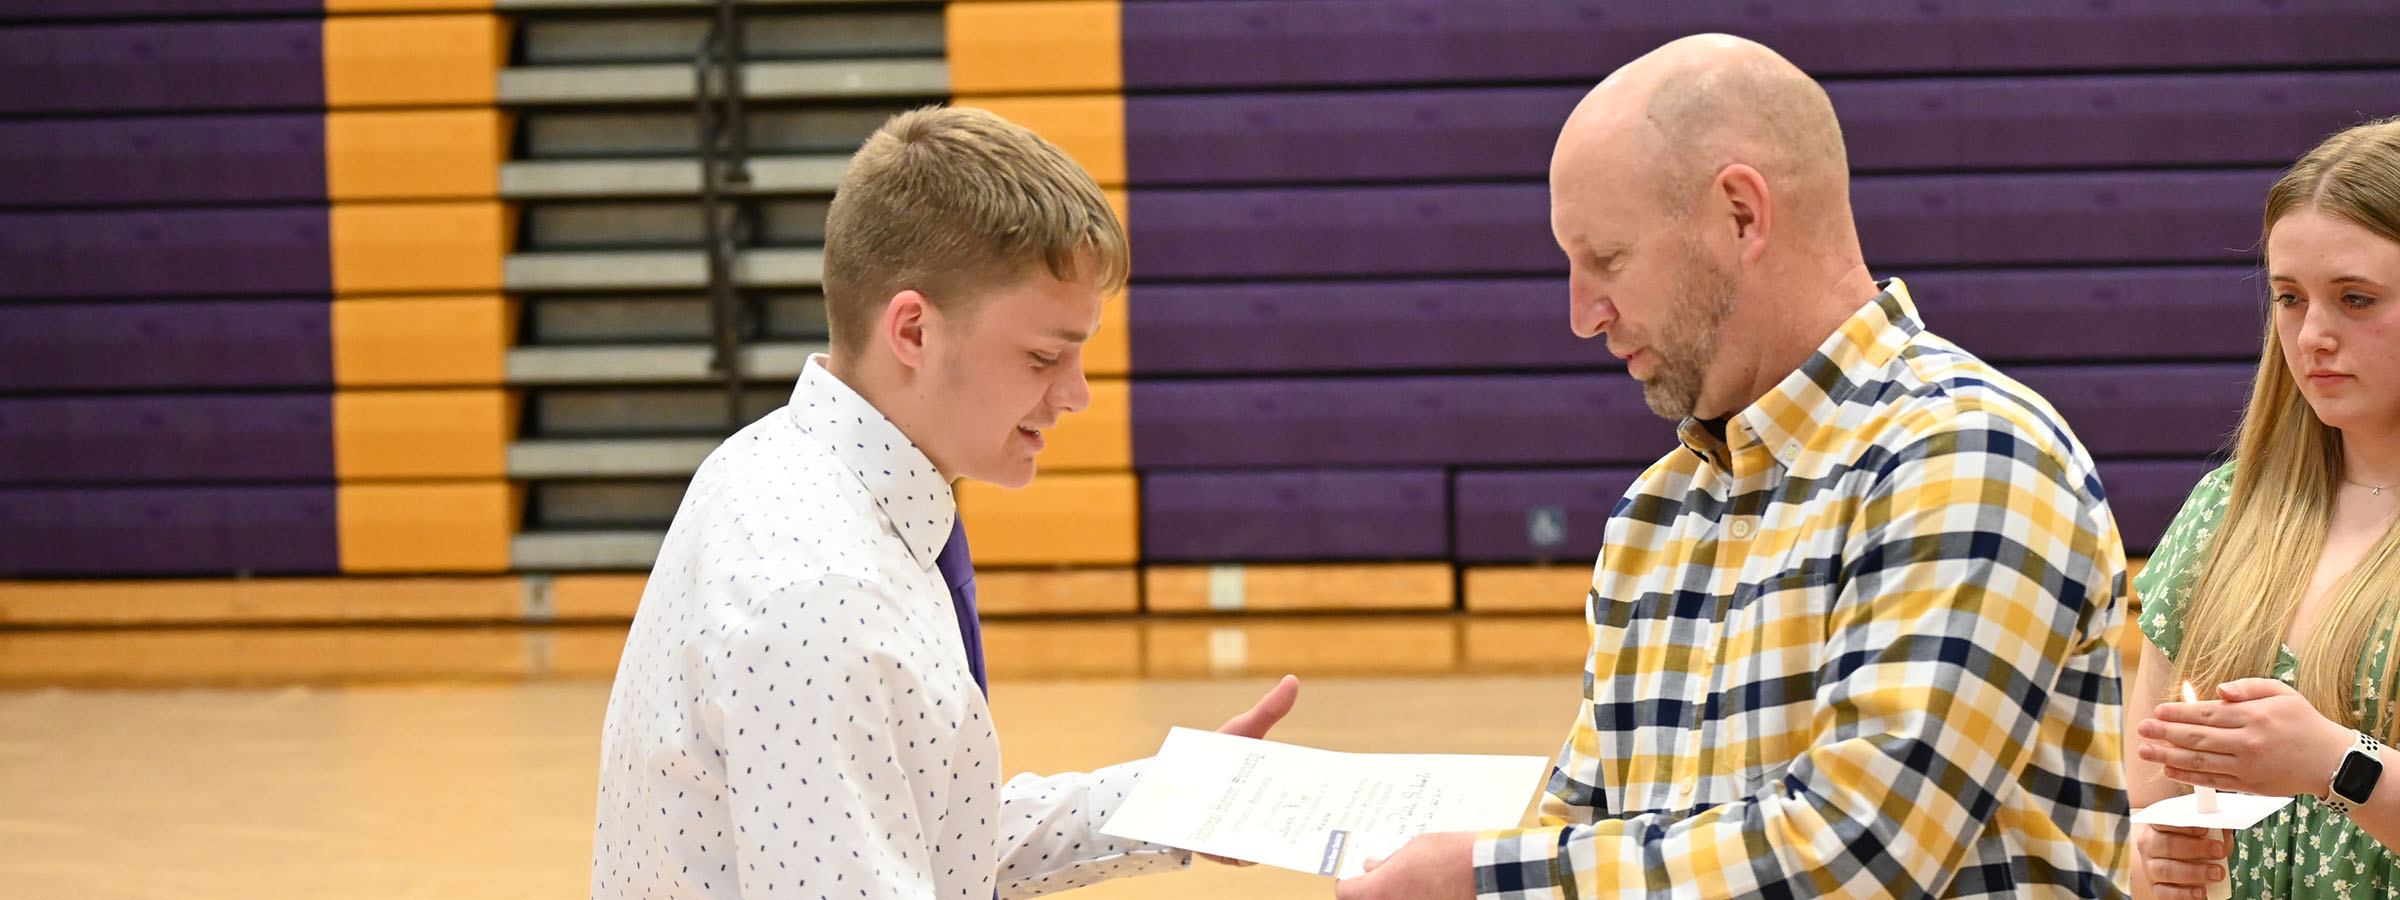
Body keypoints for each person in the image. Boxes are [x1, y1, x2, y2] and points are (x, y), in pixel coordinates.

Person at [1337, 34, 2130, 900]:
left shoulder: (1968, 454)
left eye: (1606, 258)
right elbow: (1583, 841)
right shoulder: (1657, 513)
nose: (1581, 314)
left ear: (1742, 215)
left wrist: (1484, 882)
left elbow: (1859, 855)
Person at [588, 106, 1300, 900]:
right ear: (915, 332)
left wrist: (1180, 798)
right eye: (1042, 356)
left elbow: (931, 836)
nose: (1076, 395)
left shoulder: (776, 463)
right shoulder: (821, 593)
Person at [2128, 117, 2400, 900]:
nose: (2312, 335)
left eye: (2356, 299)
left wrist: (2337, 765)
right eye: (2289, 298)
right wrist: (2158, 861)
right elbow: (2148, 806)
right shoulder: (2224, 513)